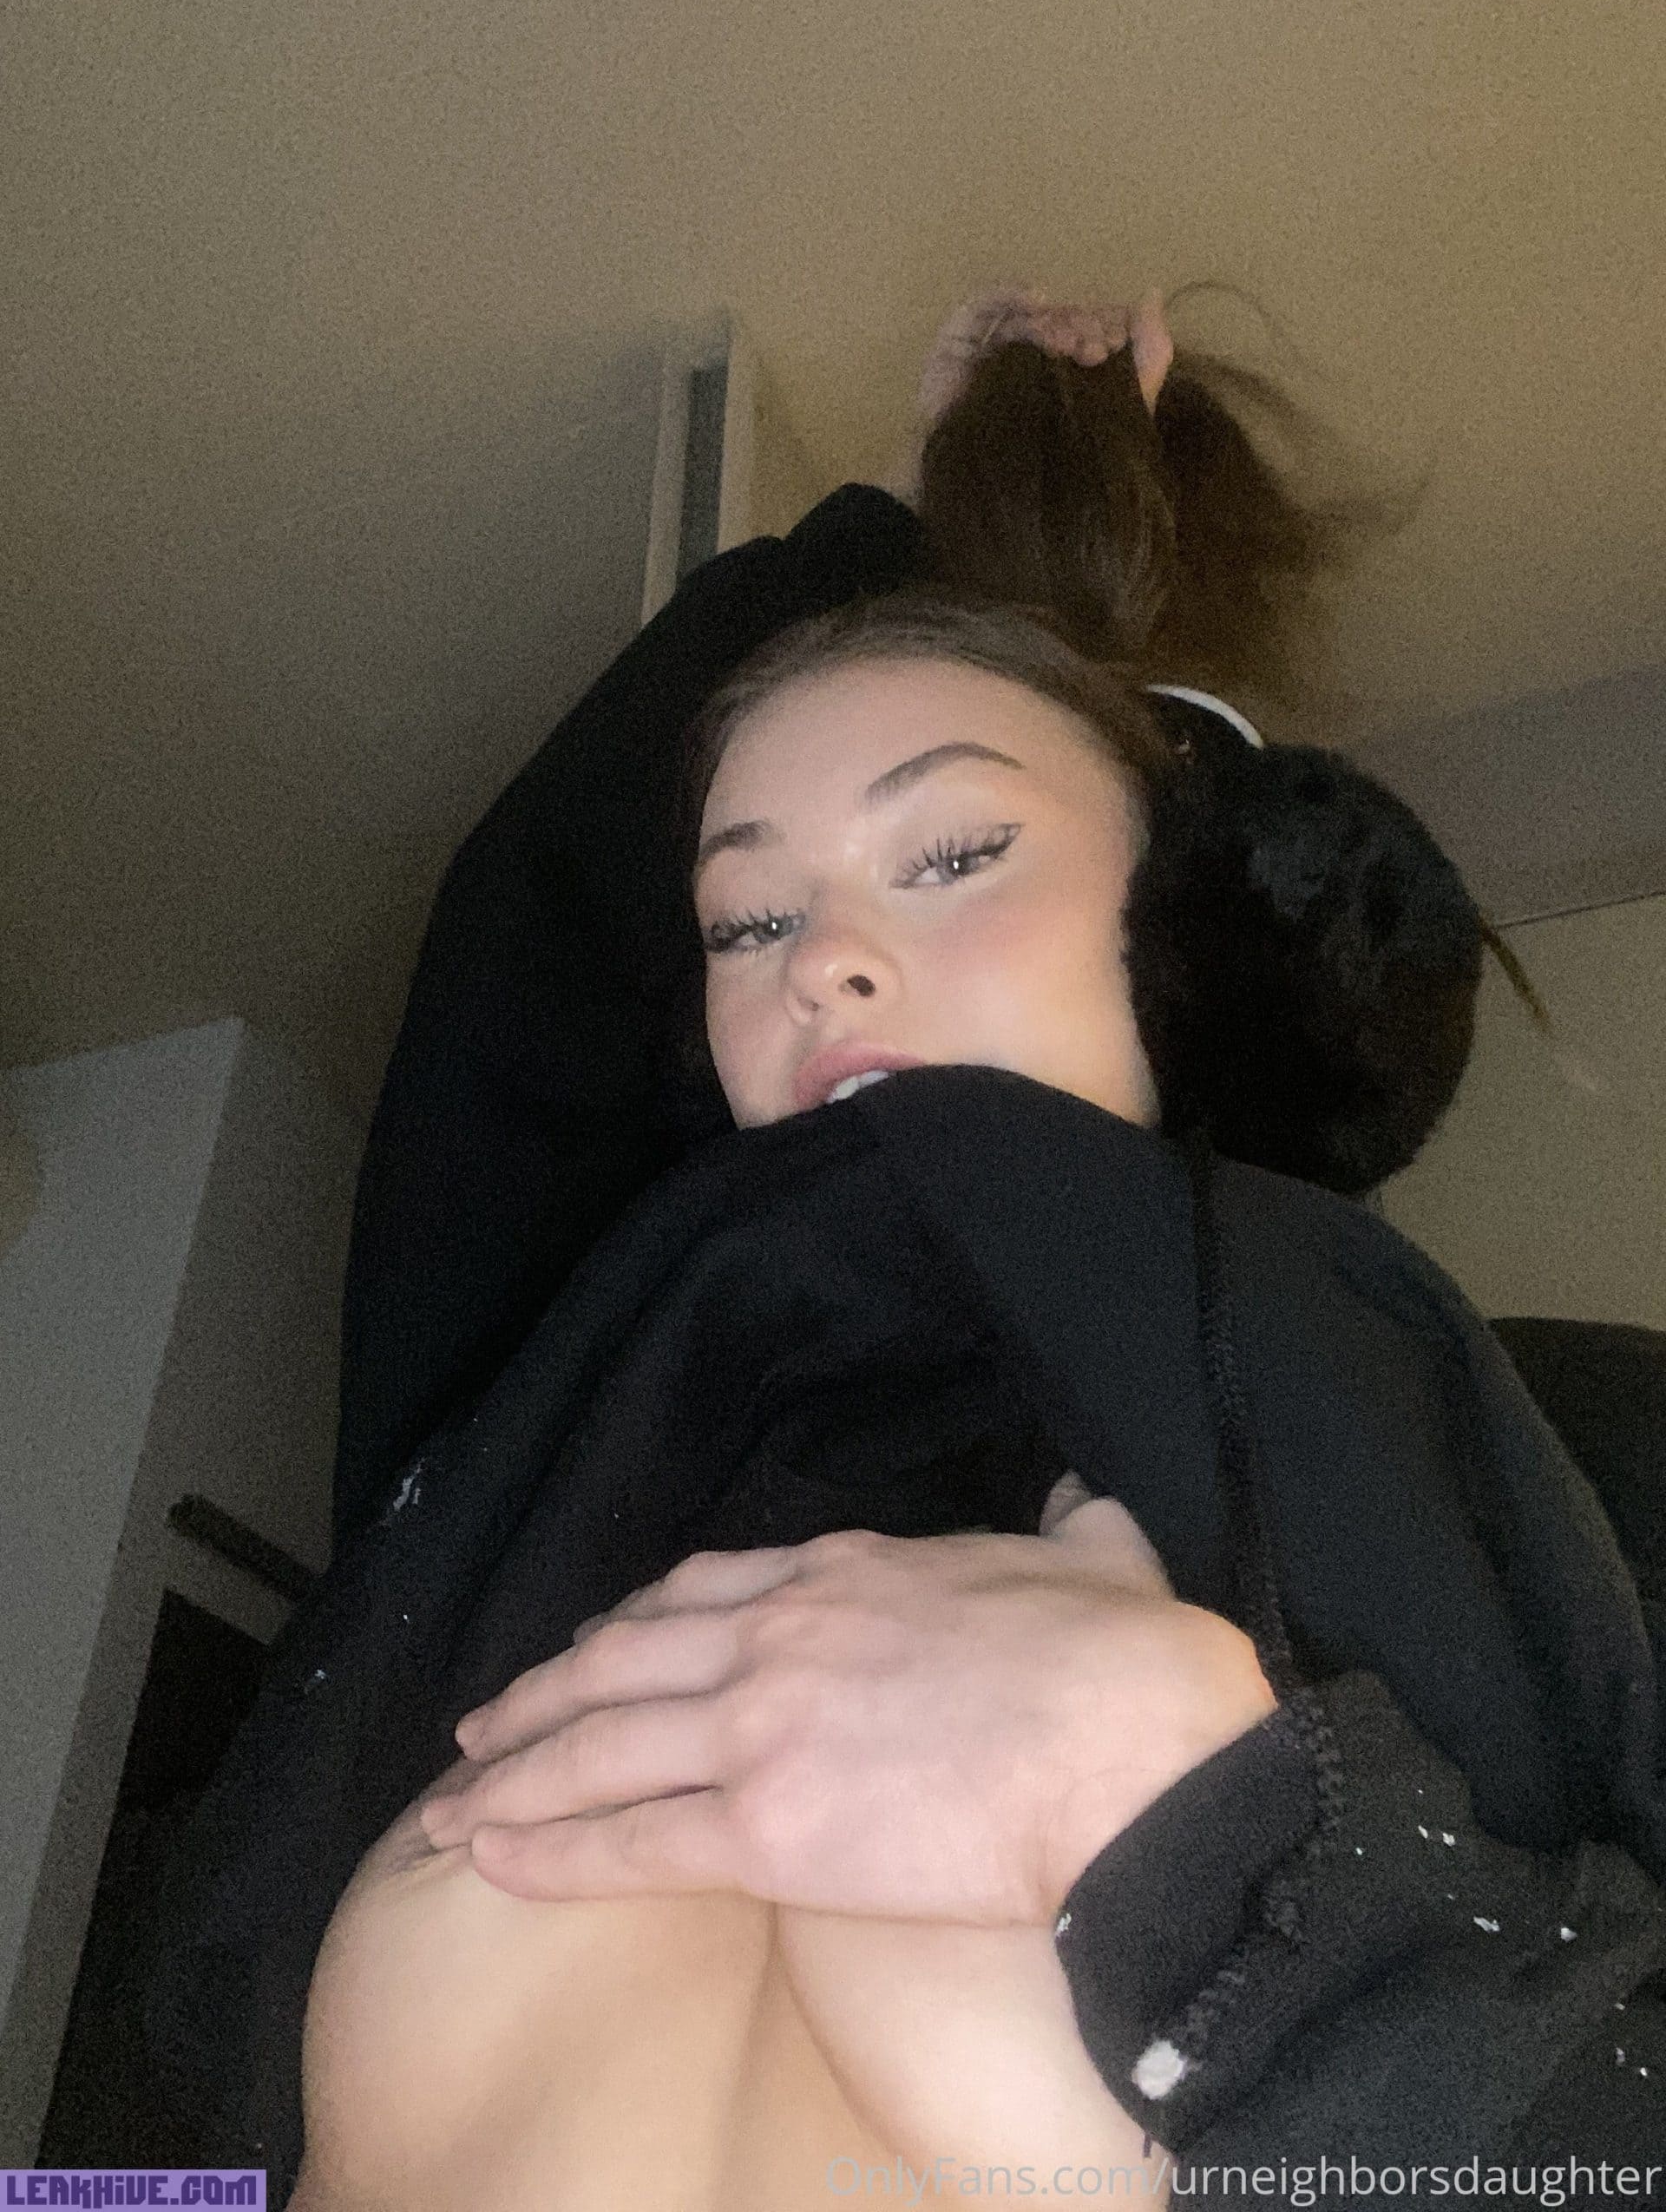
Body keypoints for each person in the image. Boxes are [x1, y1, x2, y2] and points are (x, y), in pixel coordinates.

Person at [142, 287, 1666, 2207]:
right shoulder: (551, 1452)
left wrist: (1217, 1842)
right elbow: (516, 984)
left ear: (1192, 931)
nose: (828, 961)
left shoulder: (1588, 1459)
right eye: (746, 921)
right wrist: (893, 528)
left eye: (952, 856)